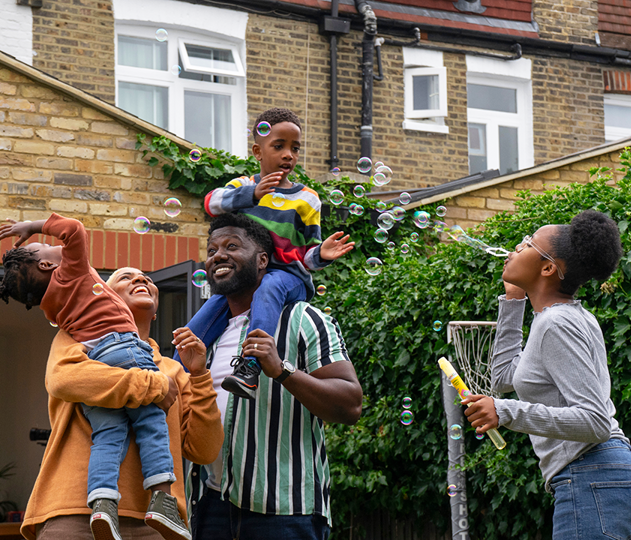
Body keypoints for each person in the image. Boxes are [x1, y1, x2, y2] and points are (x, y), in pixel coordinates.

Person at [0, 215, 194, 540]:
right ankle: (163, 498)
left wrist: (199, 374)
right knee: (151, 421)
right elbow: (73, 230)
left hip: (103, 354)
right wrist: (32, 226)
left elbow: (201, 448)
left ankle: (103, 502)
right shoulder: (74, 281)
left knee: (107, 436)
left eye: (147, 277)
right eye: (124, 277)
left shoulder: (54, 308)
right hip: (125, 349)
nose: (141, 279)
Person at [463, 210, 631, 539]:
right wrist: (512, 302)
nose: (516, 247)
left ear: (548, 268)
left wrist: (505, 411)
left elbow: (594, 422)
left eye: (527, 243)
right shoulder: (557, 319)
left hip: (593, 474)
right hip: (609, 476)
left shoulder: (557, 324)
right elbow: (504, 379)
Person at [180, 213, 363, 540]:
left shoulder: (303, 319)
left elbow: (350, 405)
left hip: (284, 513)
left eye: (232, 246)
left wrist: (282, 370)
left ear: (263, 260)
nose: (218, 255)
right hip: (212, 504)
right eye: (211, 249)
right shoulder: (207, 337)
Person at [203, 107, 354, 399]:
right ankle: (175, 374)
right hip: (248, 277)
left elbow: (306, 257)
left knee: (269, 286)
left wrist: (321, 253)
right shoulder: (242, 187)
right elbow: (211, 203)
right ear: (258, 151)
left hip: (288, 275)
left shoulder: (307, 198)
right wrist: (254, 194)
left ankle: (248, 369)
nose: (288, 155)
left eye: (295, 148)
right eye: (279, 146)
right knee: (208, 311)